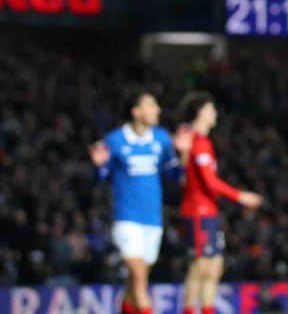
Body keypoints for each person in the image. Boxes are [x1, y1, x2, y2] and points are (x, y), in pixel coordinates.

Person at [88, 90, 187, 314]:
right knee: (140, 279)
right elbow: (99, 180)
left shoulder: (161, 138)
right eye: (152, 106)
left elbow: (175, 176)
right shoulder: (115, 140)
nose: (157, 110)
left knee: (135, 283)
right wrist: (97, 168)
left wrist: (184, 154)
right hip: (127, 219)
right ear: (136, 112)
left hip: (153, 220)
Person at [177, 92, 265, 314]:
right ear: (200, 112)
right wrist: (240, 196)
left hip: (210, 211)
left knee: (215, 267)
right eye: (211, 109)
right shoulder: (195, 141)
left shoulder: (203, 141)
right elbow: (209, 181)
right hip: (197, 211)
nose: (215, 113)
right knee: (200, 267)